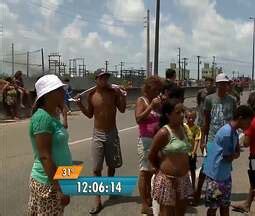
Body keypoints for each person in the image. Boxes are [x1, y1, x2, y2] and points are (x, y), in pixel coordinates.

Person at [76, 70, 126, 214]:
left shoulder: (113, 93)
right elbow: (90, 114)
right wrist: (80, 105)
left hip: (112, 133)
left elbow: (122, 110)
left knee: (112, 165)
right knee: (97, 168)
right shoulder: (92, 95)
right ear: (96, 79)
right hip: (98, 134)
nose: (105, 80)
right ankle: (97, 200)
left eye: (106, 78)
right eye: (102, 78)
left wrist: (122, 96)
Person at [26, 74, 72, 215]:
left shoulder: (51, 115)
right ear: (48, 94)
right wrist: (60, 188)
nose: (63, 93)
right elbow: (45, 156)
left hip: (60, 177)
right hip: (48, 183)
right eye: (59, 90)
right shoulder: (42, 118)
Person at [204, 105, 254, 216]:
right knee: (214, 207)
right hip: (216, 177)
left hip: (224, 175)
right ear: (241, 118)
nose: (249, 125)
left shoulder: (233, 132)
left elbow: (235, 152)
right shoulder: (227, 133)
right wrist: (235, 154)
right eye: (248, 121)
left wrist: (235, 154)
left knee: (224, 205)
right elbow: (229, 156)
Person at [195, 73, 237, 203]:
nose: (224, 86)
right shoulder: (209, 99)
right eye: (221, 83)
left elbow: (234, 121)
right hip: (213, 139)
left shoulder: (232, 100)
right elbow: (206, 121)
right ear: (217, 85)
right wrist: (203, 140)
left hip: (227, 140)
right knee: (207, 167)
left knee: (224, 167)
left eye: (226, 83)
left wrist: (235, 143)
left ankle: (221, 194)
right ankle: (198, 193)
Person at [149, 99, 193, 216]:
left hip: (183, 180)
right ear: (168, 115)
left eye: (182, 111)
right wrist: (160, 169)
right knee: (166, 213)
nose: (182, 115)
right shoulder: (164, 132)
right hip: (168, 181)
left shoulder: (183, 129)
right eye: (178, 113)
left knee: (180, 212)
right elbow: (151, 155)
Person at [135, 76, 163, 215]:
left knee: (153, 171)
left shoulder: (157, 102)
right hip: (146, 140)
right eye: (156, 89)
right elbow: (138, 118)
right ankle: (144, 204)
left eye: (159, 90)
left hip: (156, 141)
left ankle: (149, 198)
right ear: (149, 88)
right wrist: (151, 106)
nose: (157, 92)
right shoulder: (142, 101)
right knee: (144, 172)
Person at [183, 109, 201, 192]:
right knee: (184, 171)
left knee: (192, 170)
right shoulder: (183, 127)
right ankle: (185, 187)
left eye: (193, 118)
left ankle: (193, 186)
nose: (191, 120)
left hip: (191, 153)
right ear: (186, 117)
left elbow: (197, 140)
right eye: (189, 118)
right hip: (184, 153)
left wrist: (194, 152)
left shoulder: (197, 128)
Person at [196, 77, 216, 154]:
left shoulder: (214, 92)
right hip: (202, 115)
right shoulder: (200, 92)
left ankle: (209, 149)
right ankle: (202, 148)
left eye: (211, 83)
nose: (209, 84)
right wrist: (199, 108)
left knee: (210, 133)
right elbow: (198, 101)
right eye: (207, 83)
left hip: (211, 115)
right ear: (205, 83)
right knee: (202, 132)